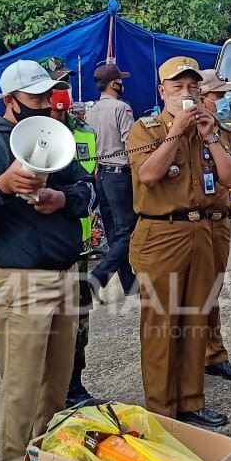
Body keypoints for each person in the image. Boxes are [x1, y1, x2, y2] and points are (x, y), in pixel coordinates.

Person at [0, 59, 95, 461]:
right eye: (37, 97)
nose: (47, 103)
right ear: (11, 101)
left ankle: (45, 460)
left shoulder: (56, 138)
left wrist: (62, 199)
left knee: (55, 387)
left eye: (49, 95)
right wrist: (1, 187)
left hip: (65, 275)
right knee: (21, 389)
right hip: (20, 282)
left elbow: (89, 189)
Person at [127, 56, 231, 427]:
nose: (187, 93)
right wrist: (176, 131)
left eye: (193, 86)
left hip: (202, 231)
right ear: (163, 92)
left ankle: (192, 401)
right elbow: (148, 175)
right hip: (160, 235)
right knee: (162, 325)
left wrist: (209, 136)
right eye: (178, 87)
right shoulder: (146, 129)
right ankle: (162, 410)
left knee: (196, 321)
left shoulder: (211, 129)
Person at [44, 57, 105, 407]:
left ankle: (74, 387)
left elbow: (90, 181)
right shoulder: (32, 132)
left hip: (81, 244)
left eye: (65, 84)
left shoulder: (84, 129)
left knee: (78, 326)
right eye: (55, 86)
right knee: (43, 333)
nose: (61, 92)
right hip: (48, 251)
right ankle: (49, 396)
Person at [197, 68, 231, 383]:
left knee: (212, 292)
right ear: (201, 98)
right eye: (219, 96)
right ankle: (198, 358)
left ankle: (213, 355)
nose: (225, 101)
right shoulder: (181, 131)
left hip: (220, 219)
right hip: (197, 222)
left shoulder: (220, 131)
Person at [85, 63, 139, 296]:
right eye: (120, 80)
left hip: (101, 176)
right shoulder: (121, 108)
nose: (123, 84)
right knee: (128, 232)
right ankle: (97, 278)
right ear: (114, 84)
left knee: (114, 233)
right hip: (120, 176)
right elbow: (132, 143)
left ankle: (129, 283)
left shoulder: (90, 111)